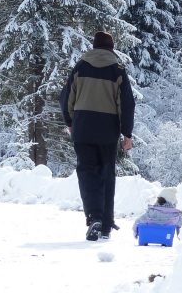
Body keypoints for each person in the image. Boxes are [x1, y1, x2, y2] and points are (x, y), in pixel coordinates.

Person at [59, 31, 135, 242]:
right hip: (108, 129)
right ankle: (106, 224)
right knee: (106, 173)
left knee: (87, 172)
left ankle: (94, 217)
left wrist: (70, 122)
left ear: (93, 47)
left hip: (83, 126)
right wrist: (127, 133)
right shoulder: (118, 70)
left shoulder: (81, 66)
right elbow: (127, 103)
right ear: (111, 48)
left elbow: (65, 97)